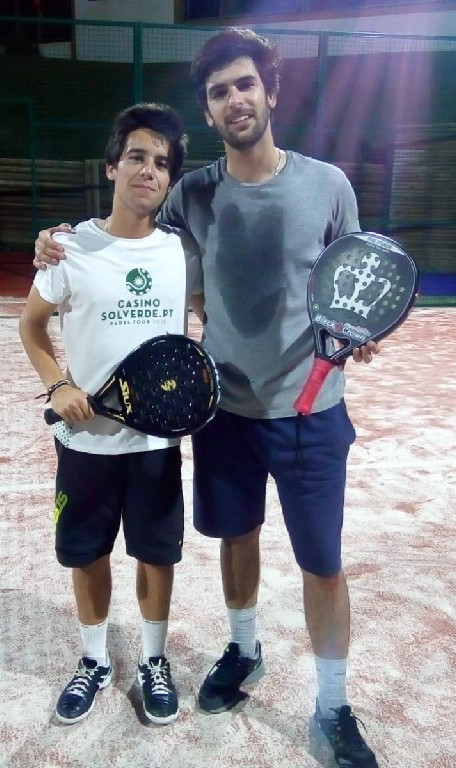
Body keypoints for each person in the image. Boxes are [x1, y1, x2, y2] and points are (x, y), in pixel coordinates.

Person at [33, 28, 379, 766]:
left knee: (322, 562)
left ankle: (333, 704)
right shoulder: (191, 193)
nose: (235, 100)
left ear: (271, 90)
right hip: (224, 413)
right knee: (236, 539)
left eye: (245, 84)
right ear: (210, 109)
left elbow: (356, 286)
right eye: (220, 91)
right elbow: (126, 236)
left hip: (311, 412)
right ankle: (243, 651)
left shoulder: (329, 186)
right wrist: (57, 241)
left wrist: (359, 333)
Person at [21, 102, 203, 726]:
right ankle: (95, 659)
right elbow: (31, 326)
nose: (148, 170)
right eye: (136, 157)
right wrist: (57, 385)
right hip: (86, 443)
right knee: (86, 554)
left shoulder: (179, 252)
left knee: (157, 555)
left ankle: (153, 659)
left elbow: (214, 313)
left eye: (162, 163)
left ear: (169, 180)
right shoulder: (69, 249)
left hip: (155, 445)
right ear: (111, 168)